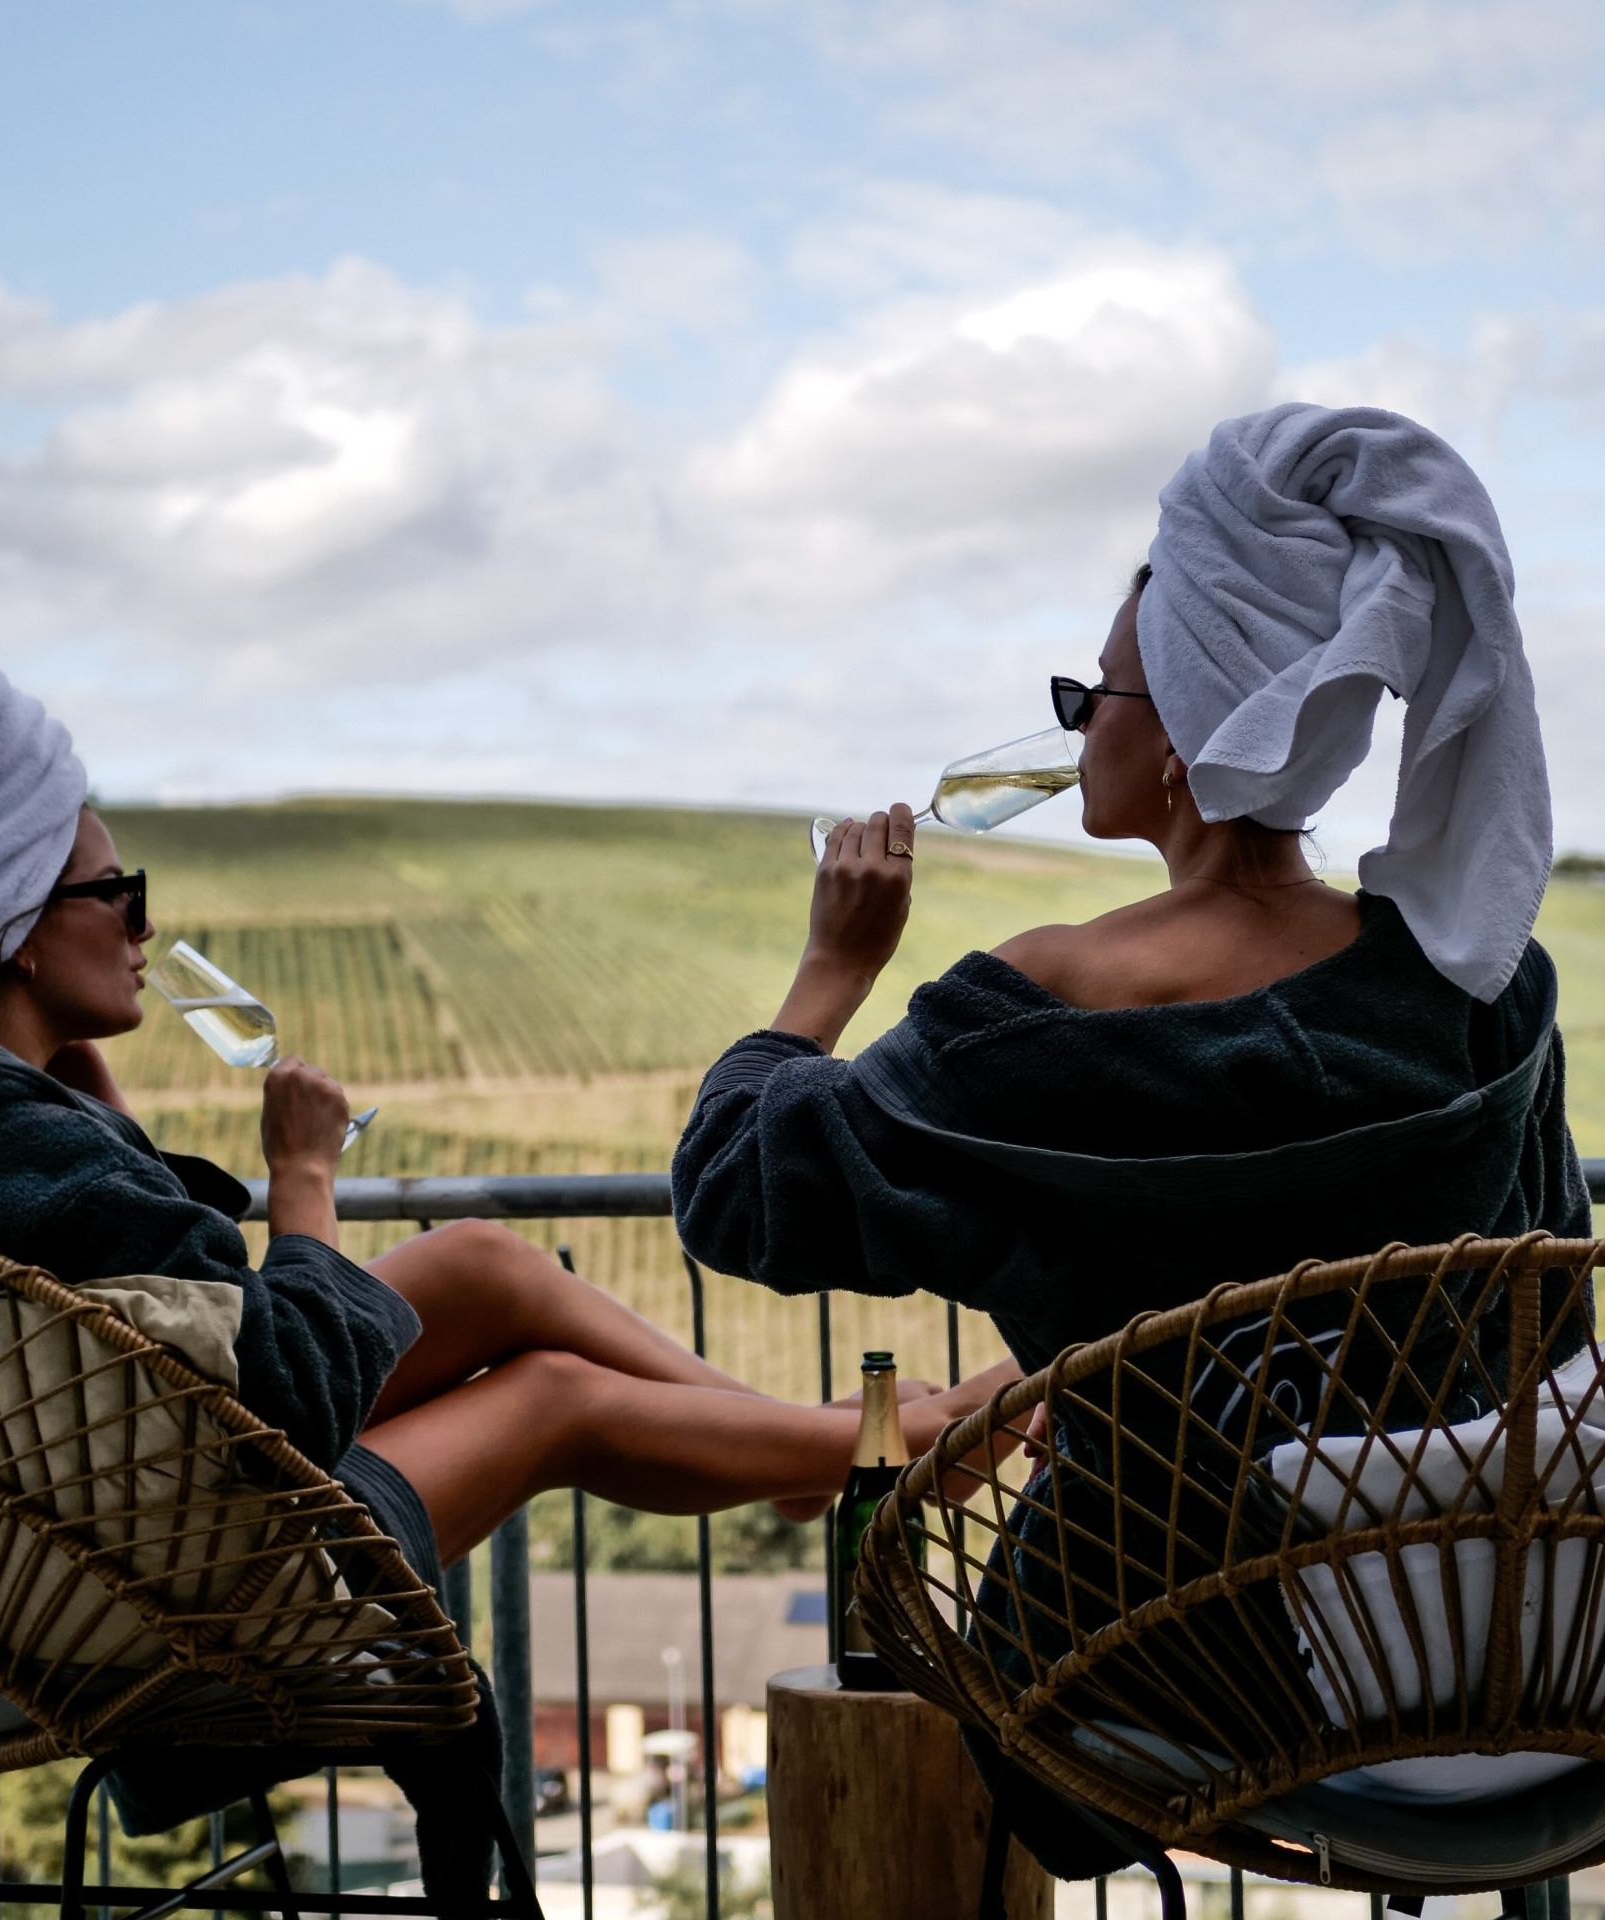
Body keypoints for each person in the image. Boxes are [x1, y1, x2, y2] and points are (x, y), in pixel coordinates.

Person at [0, 662, 1014, 1896]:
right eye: (117, 893)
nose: (147, 927)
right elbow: (283, 1392)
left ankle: (794, 1463)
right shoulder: (7, 1144)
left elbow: (125, 1341)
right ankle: (869, 1453)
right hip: (148, 1594)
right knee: (552, 1398)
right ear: (17, 927)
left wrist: (94, 1112)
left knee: (488, 1263)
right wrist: (302, 1176)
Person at [671, 403, 1594, 1874]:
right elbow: (1545, 1332)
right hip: (1495, 1672)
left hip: (1161, 1685)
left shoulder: (1042, 1015)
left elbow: (735, 1191)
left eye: (1087, 692)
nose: (1070, 722)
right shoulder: (1482, 986)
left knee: (919, 1683)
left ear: (1185, 736)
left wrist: (830, 975)